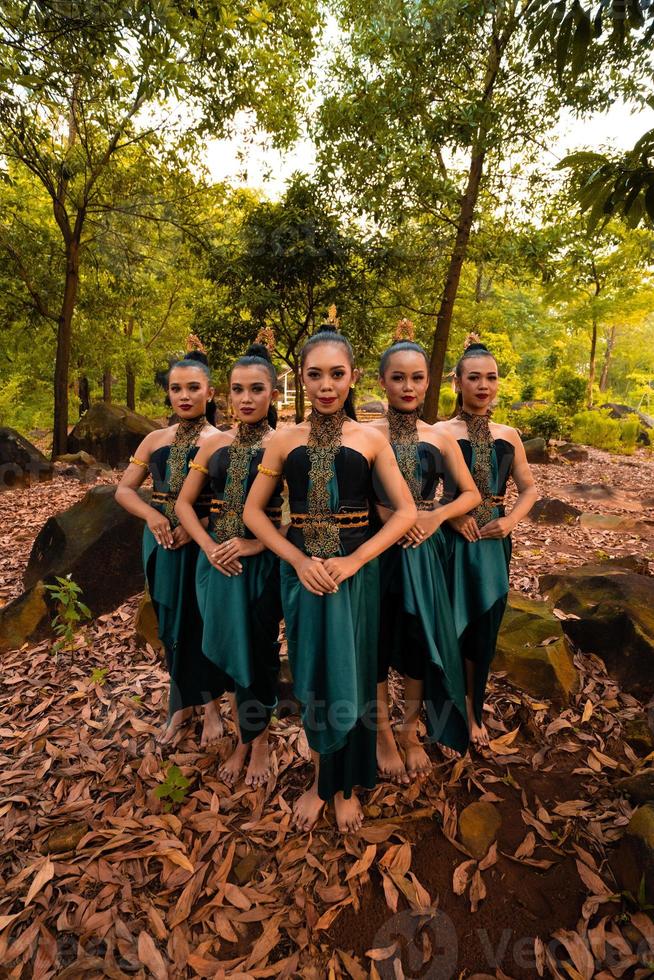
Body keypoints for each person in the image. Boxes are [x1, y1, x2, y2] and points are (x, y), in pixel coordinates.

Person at [243, 318, 417, 833]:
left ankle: (347, 785)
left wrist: (355, 560)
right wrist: (295, 560)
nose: (325, 386)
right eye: (315, 375)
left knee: (357, 674)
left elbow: (405, 512)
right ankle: (323, 781)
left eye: (336, 374)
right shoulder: (283, 441)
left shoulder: (369, 440)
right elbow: (255, 514)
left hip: (355, 574)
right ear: (300, 376)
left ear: (354, 376)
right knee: (314, 673)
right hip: (302, 576)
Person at [371, 322, 481, 782]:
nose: (409, 386)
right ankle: (379, 733)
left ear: (429, 382)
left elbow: (470, 494)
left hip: (423, 552)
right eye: (398, 377)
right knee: (375, 642)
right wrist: (389, 518)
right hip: (374, 551)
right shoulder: (362, 433)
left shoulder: (439, 437)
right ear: (382, 382)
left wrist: (434, 517)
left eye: (417, 378)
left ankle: (410, 728)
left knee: (420, 641)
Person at [175, 342, 283, 789]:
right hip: (216, 565)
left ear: (273, 394)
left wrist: (255, 545)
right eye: (238, 389)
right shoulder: (213, 443)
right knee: (224, 647)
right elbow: (183, 502)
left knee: (258, 652)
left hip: (263, 564)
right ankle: (242, 737)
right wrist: (207, 545)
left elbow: (299, 511)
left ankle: (258, 743)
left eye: (257, 389)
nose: (246, 399)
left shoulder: (286, 442)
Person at [115, 346, 227, 747]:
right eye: (176, 388)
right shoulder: (154, 439)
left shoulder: (223, 441)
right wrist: (152, 516)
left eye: (193, 387)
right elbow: (124, 491)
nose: (184, 395)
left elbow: (237, 498)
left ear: (210, 392)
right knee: (169, 620)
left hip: (204, 538)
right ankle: (180, 704)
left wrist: (198, 526)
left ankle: (212, 706)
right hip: (161, 538)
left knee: (201, 619)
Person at [436, 338, 537, 747]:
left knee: (485, 627)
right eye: (473, 377)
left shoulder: (509, 434)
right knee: (451, 628)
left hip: (493, 541)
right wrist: (451, 514)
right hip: (450, 540)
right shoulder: (439, 432)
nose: (483, 385)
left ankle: (475, 709)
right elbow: (416, 488)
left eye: (491, 377)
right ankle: (450, 707)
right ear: (457, 382)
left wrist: (510, 520)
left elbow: (529, 489)